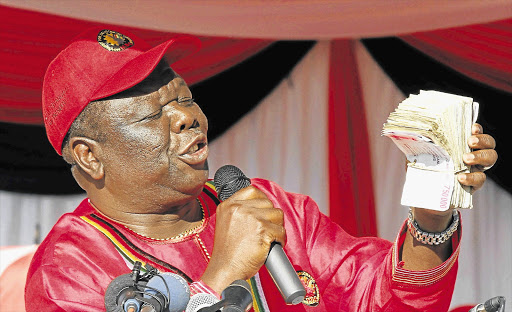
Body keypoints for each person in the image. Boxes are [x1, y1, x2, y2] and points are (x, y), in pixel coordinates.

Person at [25, 27, 498, 312]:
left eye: (185, 98)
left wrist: (432, 214)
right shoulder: (69, 269)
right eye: (153, 115)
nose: (187, 117)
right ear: (89, 155)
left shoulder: (266, 207)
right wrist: (221, 275)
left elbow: (381, 297)